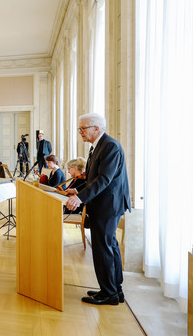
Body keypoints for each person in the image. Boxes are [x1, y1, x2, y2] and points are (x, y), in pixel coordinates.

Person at [65, 113, 131, 306]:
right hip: (104, 204)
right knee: (109, 246)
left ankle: (109, 293)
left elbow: (104, 180)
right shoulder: (97, 146)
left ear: (97, 128)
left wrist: (80, 198)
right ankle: (113, 289)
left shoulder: (110, 146)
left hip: (108, 205)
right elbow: (92, 178)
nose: (80, 132)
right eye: (80, 128)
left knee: (103, 248)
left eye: (83, 128)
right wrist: (76, 189)